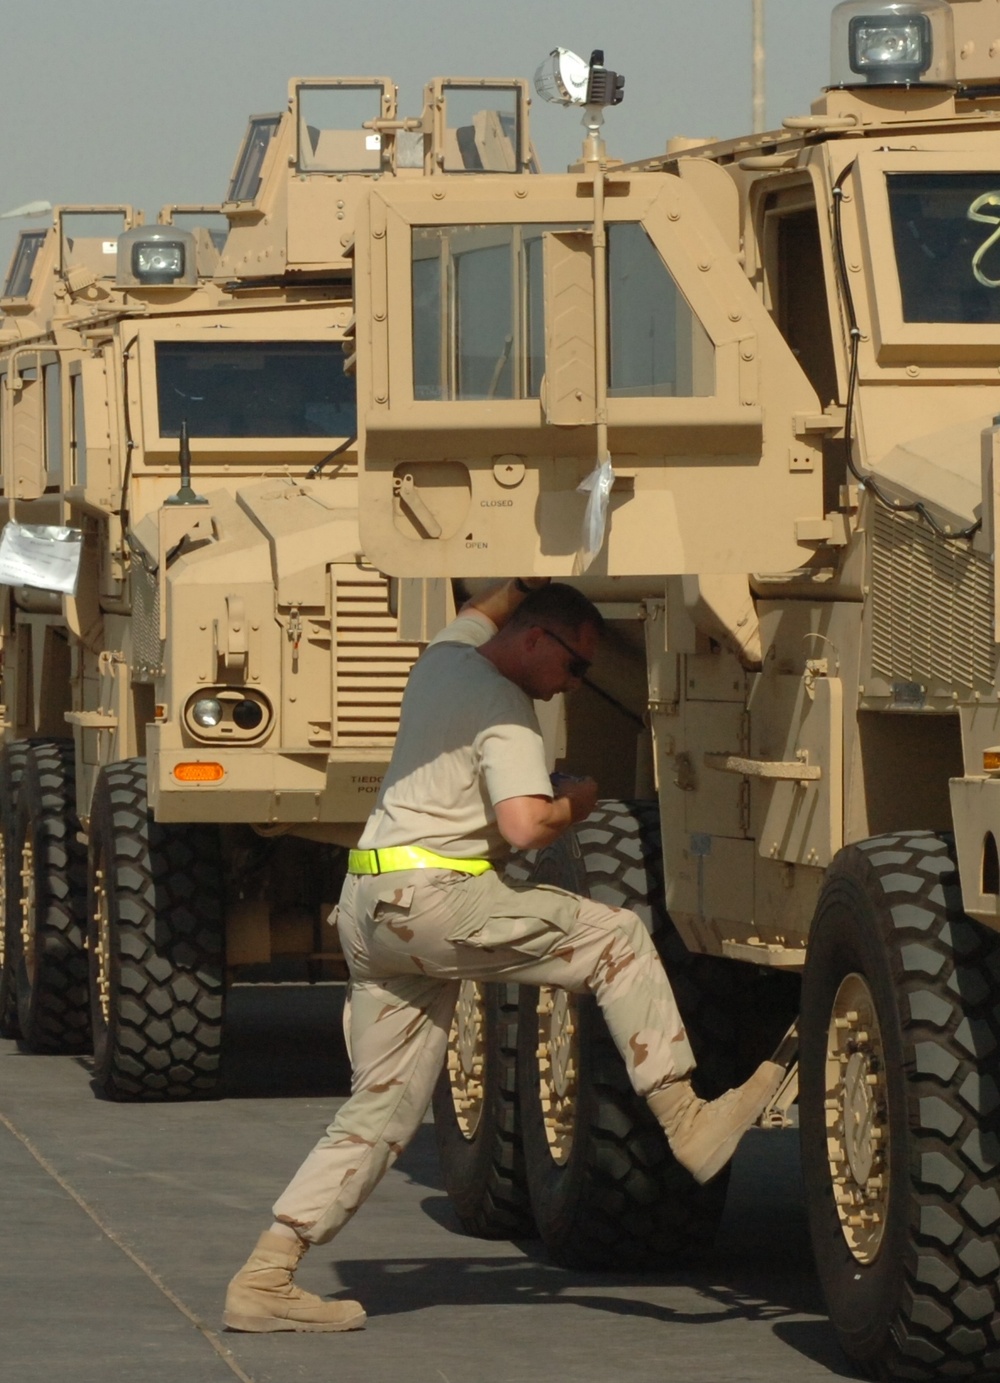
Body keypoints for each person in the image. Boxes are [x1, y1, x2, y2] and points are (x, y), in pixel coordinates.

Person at [222, 580, 784, 1334]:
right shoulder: (507, 710)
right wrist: (577, 801)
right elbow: (523, 828)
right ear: (535, 640)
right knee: (617, 937)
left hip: (369, 904)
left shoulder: (442, 659)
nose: (572, 685)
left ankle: (266, 1273)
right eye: (574, 665)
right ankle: (686, 1120)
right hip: (433, 901)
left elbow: (476, 613)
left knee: (380, 1112)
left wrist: (519, 575)